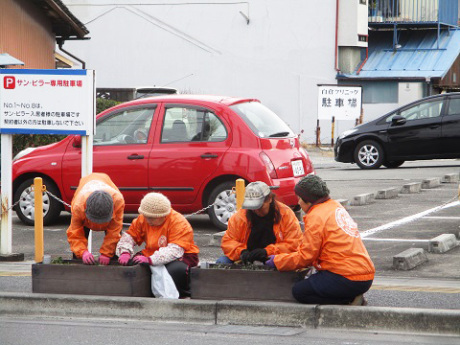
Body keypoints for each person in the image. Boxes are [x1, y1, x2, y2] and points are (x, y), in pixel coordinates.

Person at [265, 175, 375, 305]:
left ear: (309, 201)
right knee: (313, 280)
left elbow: (306, 257)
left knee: (299, 291)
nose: (298, 202)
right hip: (365, 275)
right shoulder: (335, 206)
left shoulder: (316, 216)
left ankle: (349, 300)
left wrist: (277, 261)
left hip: (346, 277)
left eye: (299, 198)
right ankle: (350, 296)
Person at [116, 192, 199, 298]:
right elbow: (130, 236)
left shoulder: (179, 223)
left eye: (151, 218)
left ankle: (182, 294)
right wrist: (125, 251)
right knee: (134, 263)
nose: (147, 220)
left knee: (176, 270)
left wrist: (151, 260)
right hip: (152, 253)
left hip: (183, 254)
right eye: (146, 217)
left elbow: (175, 250)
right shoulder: (143, 219)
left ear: (163, 216)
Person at [217, 181, 302, 265]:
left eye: (259, 206)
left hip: (274, 258)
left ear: (269, 199)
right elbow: (228, 241)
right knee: (222, 262)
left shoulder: (286, 214)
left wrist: (267, 252)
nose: (255, 210)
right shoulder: (240, 216)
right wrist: (242, 252)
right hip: (247, 257)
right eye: (252, 206)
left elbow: (293, 244)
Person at [66, 172, 125, 265]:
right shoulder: (78, 206)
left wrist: (107, 253)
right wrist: (82, 252)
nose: (99, 224)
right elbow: (75, 233)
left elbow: (115, 231)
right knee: (78, 255)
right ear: (86, 211)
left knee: (114, 250)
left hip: (109, 198)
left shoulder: (118, 201)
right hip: (83, 204)